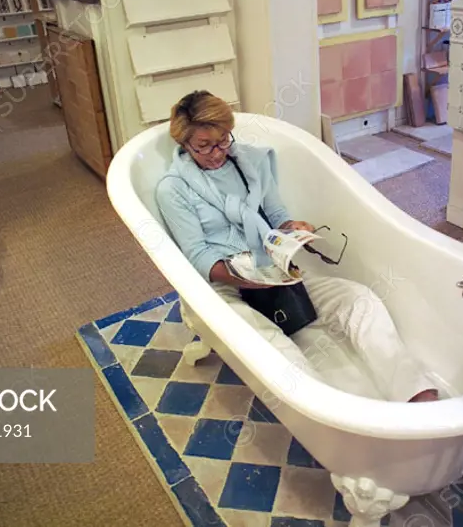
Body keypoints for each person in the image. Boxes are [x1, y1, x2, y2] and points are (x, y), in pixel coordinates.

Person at [154, 91, 439, 403]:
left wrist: (294, 232)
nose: (217, 153)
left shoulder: (249, 162)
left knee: (359, 300)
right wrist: (251, 279)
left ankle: (415, 393)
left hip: (273, 268)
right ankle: (331, 411)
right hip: (225, 284)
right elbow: (199, 257)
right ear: (184, 145)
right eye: (203, 146)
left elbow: (277, 217)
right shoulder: (173, 189)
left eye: (222, 140)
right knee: (274, 346)